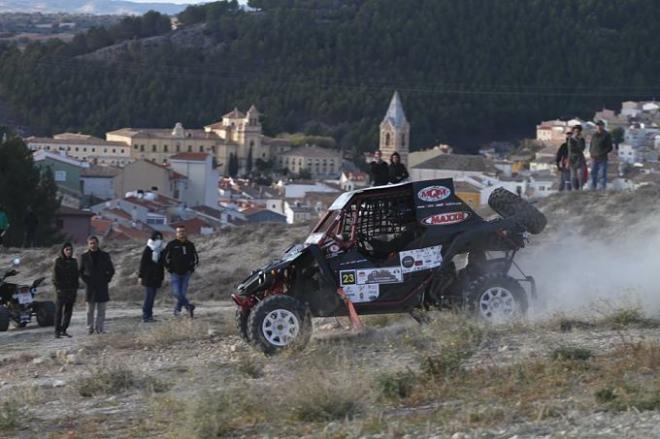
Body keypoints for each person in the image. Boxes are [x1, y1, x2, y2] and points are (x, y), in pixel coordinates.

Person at [79, 236, 115, 334]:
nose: (93, 245)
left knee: (101, 310)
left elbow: (111, 270)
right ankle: (89, 328)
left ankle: (100, 328)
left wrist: (106, 279)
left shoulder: (105, 255)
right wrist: (86, 280)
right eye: (91, 243)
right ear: (88, 244)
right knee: (89, 311)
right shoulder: (84, 256)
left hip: (102, 286)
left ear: (97, 243)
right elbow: (80, 271)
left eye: (94, 243)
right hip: (90, 287)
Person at [164, 226, 198, 318]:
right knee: (176, 293)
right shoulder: (172, 244)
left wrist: (192, 268)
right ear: (176, 233)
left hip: (186, 273)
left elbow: (195, 257)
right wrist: (168, 268)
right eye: (179, 232)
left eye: (183, 231)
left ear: (185, 232)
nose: (181, 233)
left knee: (182, 293)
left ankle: (177, 311)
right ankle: (189, 307)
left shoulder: (190, 244)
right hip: (175, 272)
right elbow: (164, 256)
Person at [52, 242, 79, 338]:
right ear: (63, 250)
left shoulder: (74, 262)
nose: (69, 251)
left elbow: (76, 276)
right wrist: (58, 289)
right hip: (61, 290)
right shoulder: (58, 261)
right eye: (67, 249)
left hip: (71, 290)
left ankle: (64, 329)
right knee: (59, 312)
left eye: (70, 249)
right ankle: (57, 331)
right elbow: (55, 278)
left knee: (68, 312)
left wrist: (75, 288)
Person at [138, 231, 165, 323]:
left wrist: (162, 277)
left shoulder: (162, 250)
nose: (158, 240)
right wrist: (140, 276)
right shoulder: (148, 248)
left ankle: (149, 315)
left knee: (152, 297)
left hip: (157, 277)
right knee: (148, 297)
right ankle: (146, 316)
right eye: (157, 238)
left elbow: (162, 264)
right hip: (148, 277)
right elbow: (143, 263)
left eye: (160, 238)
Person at [590, 120, 613, 190]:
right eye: (597, 125)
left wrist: (602, 153)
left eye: (600, 125)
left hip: (602, 158)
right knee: (593, 174)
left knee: (602, 174)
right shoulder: (594, 135)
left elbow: (610, 147)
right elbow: (592, 145)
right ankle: (593, 188)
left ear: (603, 126)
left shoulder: (607, 135)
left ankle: (602, 189)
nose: (599, 127)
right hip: (594, 158)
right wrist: (591, 153)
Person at [566, 125, 586, 190]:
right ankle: (574, 189)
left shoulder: (582, 139)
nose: (576, 133)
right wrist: (568, 161)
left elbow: (582, 148)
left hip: (580, 158)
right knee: (573, 176)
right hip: (572, 159)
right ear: (573, 132)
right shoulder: (570, 140)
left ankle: (581, 188)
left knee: (581, 175)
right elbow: (570, 150)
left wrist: (579, 140)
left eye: (578, 131)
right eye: (575, 131)